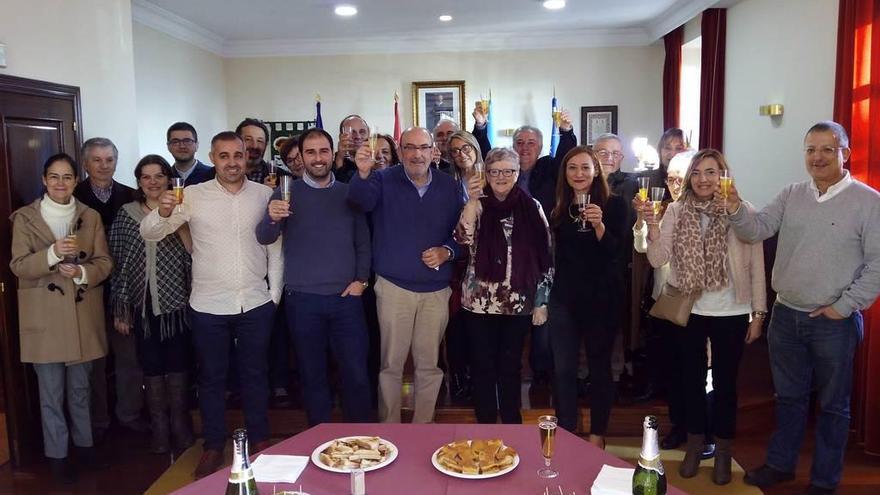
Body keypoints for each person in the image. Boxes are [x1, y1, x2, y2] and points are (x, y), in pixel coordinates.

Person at [728, 122, 880, 495]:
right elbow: (756, 229)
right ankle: (781, 465)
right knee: (790, 399)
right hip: (786, 316)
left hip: (835, 322)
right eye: (811, 149)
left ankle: (825, 481)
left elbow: (878, 263)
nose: (818, 157)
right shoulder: (792, 193)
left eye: (828, 149)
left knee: (832, 407)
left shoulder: (869, 201)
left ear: (846, 152)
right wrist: (734, 207)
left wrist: (844, 306)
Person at [140, 131, 283, 478]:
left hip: (254, 302)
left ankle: (260, 439)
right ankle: (213, 445)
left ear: (246, 156)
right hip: (207, 304)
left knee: (254, 375)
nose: (232, 162)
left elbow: (275, 250)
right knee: (211, 378)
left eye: (238, 155)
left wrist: (273, 297)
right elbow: (151, 232)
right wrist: (161, 211)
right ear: (213, 157)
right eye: (224, 156)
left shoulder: (266, 195)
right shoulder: (190, 195)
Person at [645, 149, 766, 485]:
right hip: (691, 309)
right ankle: (696, 445)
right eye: (696, 173)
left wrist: (758, 313)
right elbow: (657, 259)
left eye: (711, 172)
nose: (702, 179)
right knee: (691, 382)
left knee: (726, 385)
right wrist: (653, 226)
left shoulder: (742, 212)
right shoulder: (676, 209)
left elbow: (756, 266)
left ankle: (724, 450)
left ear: (723, 176)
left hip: (732, 310)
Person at [256, 128, 372, 425]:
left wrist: (361, 280)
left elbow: (363, 241)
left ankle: (361, 442)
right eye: (310, 152)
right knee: (312, 375)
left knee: (356, 375)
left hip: (346, 300)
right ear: (302, 157)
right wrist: (272, 217)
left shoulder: (349, 193)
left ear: (333, 155)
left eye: (323, 152)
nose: (317, 159)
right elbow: (265, 237)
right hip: (302, 300)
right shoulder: (285, 192)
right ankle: (318, 443)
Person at [348, 127, 463, 423]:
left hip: (436, 290)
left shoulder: (450, 186)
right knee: (390, 365)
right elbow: (359, 203)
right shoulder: (382, 179)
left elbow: (463, 235)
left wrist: (447, 251)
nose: (417, 154)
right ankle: (389, 430)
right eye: (410, 147)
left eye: (423, 147)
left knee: (429, 366)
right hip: (393, 287)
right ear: (400, 151)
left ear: (432, 151)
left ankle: (422, 429)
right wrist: (361, 173)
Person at [10, 153, 113, 483]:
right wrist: (53, 254)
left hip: (81, 315)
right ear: (44, 180)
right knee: (50, 395)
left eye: (67, 177)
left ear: (75, 180)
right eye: (54, 177)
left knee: (81, 390)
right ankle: (58, 457)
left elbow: (104, 263)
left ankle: (85, 449)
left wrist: (82, 272)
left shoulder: (90, 216)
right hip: (43, 318)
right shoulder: (24, 218)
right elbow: (19, 266)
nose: (60, 183)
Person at [454, 147, 552, 423]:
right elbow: (462, 239)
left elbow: (546, 256)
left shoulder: (532, 207)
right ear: (486, 174)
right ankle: (485, 426)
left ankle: (511, 426)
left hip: (518, 303)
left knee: (510, 368)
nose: (501, 176)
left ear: (517, 173)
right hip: (478, 303)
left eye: (508, 171)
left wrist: (541, 300)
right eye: (494, 171)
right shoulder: (477, 205)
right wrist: (472, 202)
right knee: (482, 367)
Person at [108, 155, 195, 455]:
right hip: (141, 305)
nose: (153, 182)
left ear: (169, 179)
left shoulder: (182, 210)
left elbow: (193, 253)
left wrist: (176, 220)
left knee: (179, 362)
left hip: (177, 303)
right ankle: (159, 427)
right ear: (139, 182)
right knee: (151, 365)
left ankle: (180, 425)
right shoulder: (126, 213)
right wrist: (121, 307)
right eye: (146, 177)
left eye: (159, 176)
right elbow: (117, 263)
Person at [548, 145, 627, 449]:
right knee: (563, 369)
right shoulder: (558, 206)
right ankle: (567, 433)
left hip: (602, 298)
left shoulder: (615, 205)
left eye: (585, 168)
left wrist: (598, 224)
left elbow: (614, 254)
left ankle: (597, 435)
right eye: (572, 168)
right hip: (565, 298)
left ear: (596, 170)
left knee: (599, 367)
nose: (578, 174)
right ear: (565, 174)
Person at [73, 137, 145, 440]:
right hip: (85, 290)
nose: (104, 166)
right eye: (97, 160)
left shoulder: (130, 197)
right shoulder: (72, 197)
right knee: (93, 361)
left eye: (109, 160)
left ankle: (129, 415)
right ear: (86, 163)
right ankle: (98, 421)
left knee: (128, 358)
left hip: (124, 291)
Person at [236, 117, 287, 187]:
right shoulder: (217, 174)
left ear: (266, 145)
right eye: (248, 139)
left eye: (260, 141)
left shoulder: (282, 178)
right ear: (236, 142)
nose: (254, 146)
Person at [334, 115, 370, 182]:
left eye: (362, 132)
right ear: (341, 137)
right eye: (352, 132)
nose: (358, 136)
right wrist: (339, 159)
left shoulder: (377, 160)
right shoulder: (330, 162)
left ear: (368, 135)